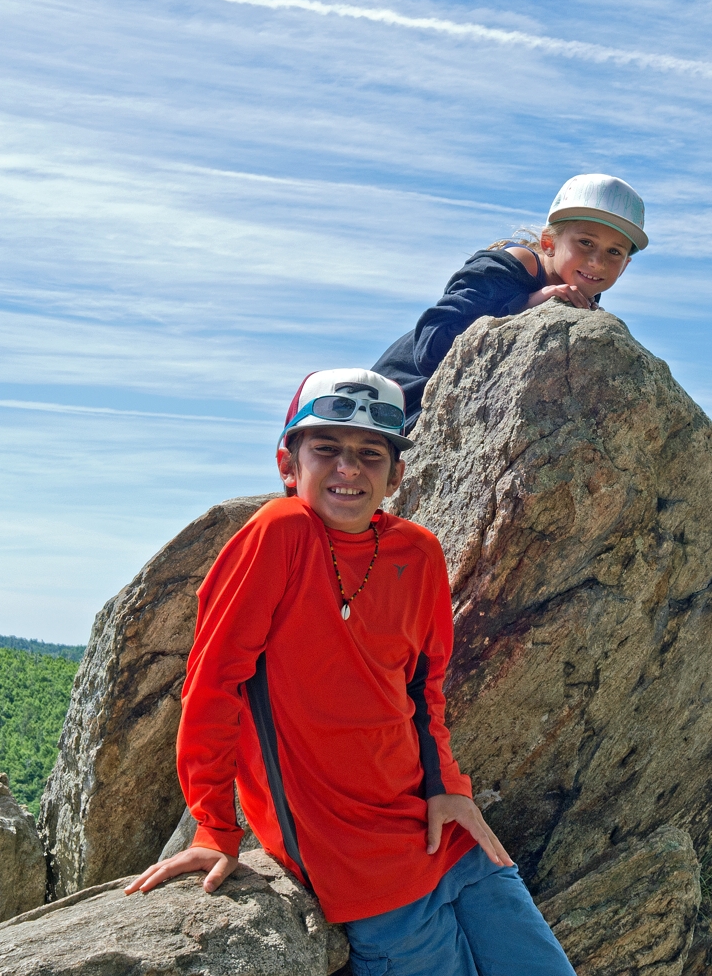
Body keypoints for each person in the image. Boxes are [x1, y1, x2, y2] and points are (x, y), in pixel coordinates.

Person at [124, 367, 576, 976]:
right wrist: (213, 825)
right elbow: (213, 685)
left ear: (397, 473)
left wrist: (447, 788)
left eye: (370, 453)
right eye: (327, 449)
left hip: (442, 831)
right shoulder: (279, 534)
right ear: (289, 465)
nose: (349, 468)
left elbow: (423, 690)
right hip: (353, 859)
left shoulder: (417, 552)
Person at [373, 173, 648, 430]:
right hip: (390, 407)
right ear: (549, 242)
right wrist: (527, 305)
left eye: (614, 251)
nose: (597, 261)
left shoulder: (581, 291)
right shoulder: (506, 268)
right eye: (586, 242)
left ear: (624, 266)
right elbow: (430, 348)